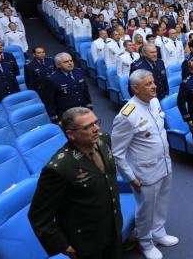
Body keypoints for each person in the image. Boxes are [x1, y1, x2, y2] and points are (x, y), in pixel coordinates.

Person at [28, 107, 123, 259]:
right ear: (71, 134)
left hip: (113, 226)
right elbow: (38, 216)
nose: (96, 129)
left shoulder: (104, 139)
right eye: (88, 127)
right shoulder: (59, 168)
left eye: (96, 122)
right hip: (87, 241)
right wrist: (63, 246)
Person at [111, 70, 177, 259]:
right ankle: (145, 242)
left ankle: (159, 232)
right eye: (148, 84)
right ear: (135, 89)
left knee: (162, 201)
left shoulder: (155, 102)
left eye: (153, 82)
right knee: (145, 209)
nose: (154, 86)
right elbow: (117, 152)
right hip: (144, 172)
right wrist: (130, 177)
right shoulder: (127, 114)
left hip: (164, 163)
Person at [45, 53, 93, 122]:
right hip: (67, 114)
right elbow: (50, 100)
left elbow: (85, 90)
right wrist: (54, 116)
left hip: (83, 109)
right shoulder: (52, 79)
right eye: (66, 62)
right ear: (58, 65)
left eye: (71, 61)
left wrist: (89, 105)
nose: (70, 63)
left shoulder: (78, 72)